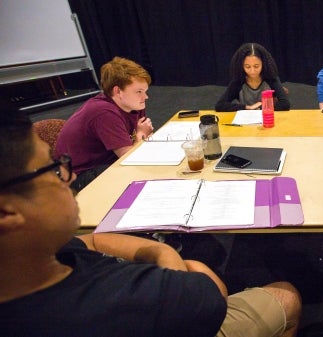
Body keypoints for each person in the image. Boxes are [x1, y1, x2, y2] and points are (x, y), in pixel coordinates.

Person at [0, 110, 302, 336]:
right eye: (53, 170)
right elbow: (210, 296)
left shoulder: (34, 257)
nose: (71, 176)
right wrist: (178, 262)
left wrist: (162, 254)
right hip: (192, 309)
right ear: (7, 212)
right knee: (287, 295)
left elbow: (93, 239)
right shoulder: (118, 304)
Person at [55, 56, 155, 192]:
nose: (145, 97)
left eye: (145, 91)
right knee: (138, 179)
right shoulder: (103, 112)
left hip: (108, 160)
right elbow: (129, 157)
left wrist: (141, 138)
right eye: (139, 92)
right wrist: (141, 135)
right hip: (79, 176)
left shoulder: (134, 104)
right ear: (118, 91)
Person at [215, 42, 290, 112]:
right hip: (247, 121)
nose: (252, 71)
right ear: (241, 66)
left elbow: (285, 104)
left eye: (256, 66)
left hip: (268, 117)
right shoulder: (238, 80)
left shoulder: (271, 77)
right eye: (247, 67)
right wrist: (248, 107)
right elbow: (220, 105)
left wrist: (260, 107)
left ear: (263, 64)